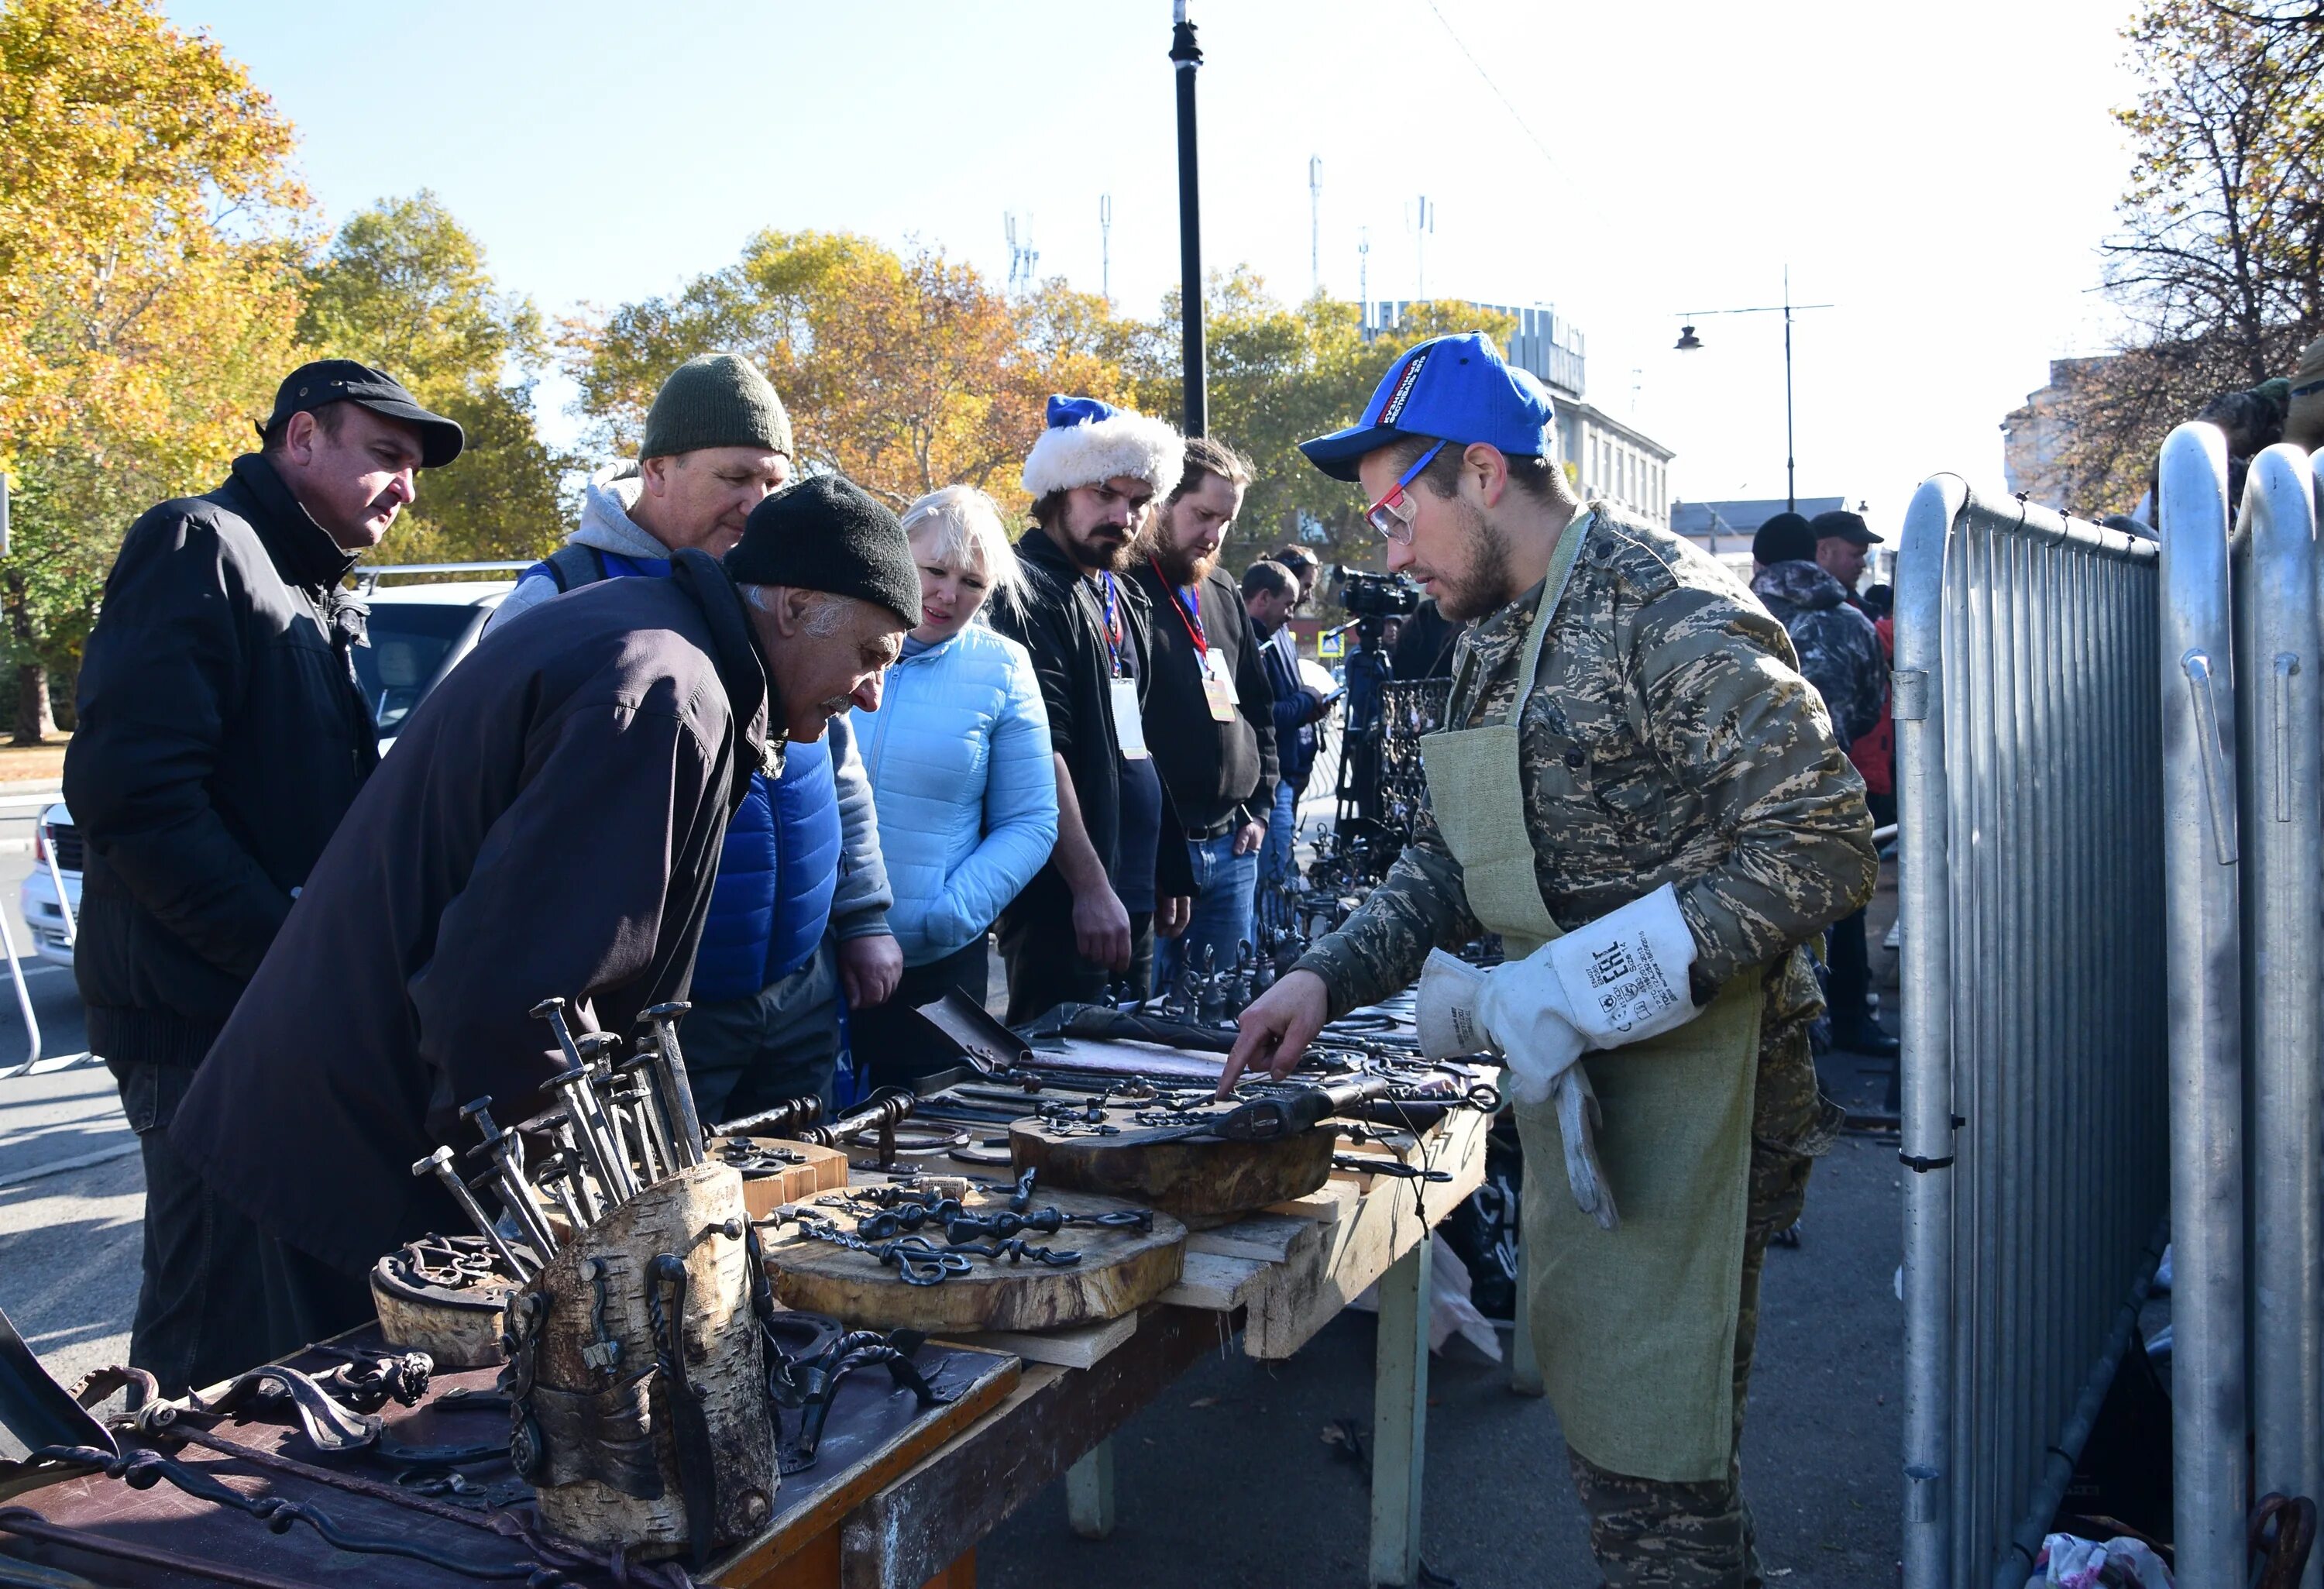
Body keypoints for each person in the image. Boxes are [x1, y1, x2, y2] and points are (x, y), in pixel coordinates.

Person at [1223, 332, 1874, 1589]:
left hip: (1706, 1097)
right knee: (1612, 1446)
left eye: (1398, 515)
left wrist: (1582, 985)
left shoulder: (1665, 604)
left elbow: (1823, 840)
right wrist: (1324, 975)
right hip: (1581, 1088)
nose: (1389, 552)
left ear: (1481, 471)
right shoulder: (1485, 635)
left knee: (1664, 1477)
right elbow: (1442, 854)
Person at [165, 476, 918, 1378]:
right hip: (335, 1169)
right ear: (795, 606)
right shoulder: (664, 690)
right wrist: (564, 1235)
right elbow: (519, 998)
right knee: (217, 1478)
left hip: (336, 1134)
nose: (873, 694)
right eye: (873, 652)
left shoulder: (655, 639)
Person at [64, 359, 462, 1396]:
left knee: (270, 1329)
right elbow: (132, 797)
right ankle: (137, 1545)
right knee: (208, 1331)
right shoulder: (201, 542)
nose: (406, 487)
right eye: (385, 454)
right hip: (196, 1024)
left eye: (413, 468)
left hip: (263, 1014)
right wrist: (288, 951)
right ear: (300, 438)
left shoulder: (311, 580)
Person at [482, 354, 901, 1119]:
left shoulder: (781, 592)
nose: (756, 504)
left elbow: (839, 772)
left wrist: (865, 915)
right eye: (735, 478)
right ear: (658, 470)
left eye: (774, 483)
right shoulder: (561, 596)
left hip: (798, 989)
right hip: (663, 1010)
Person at [988, 396, 1194, 1023]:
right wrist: (1090, 887)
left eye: (1137, 502)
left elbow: (1135, 742)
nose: (1122, 516)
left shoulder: (1119, 592)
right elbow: (1038, 754)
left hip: (1127, 890)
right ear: (1058, 488)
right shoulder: (1024, 588)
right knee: (1057, 1086)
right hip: (1067, 900)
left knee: (1129, 1071)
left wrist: (1162, 863)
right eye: (1104, 493)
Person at [849, 487, 1058, 1082]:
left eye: (972, 582)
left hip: (936, 968)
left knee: (929, 1148)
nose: (947, 594)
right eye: (934, 570)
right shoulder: (832, 637)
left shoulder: (1004, 666)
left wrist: (949, 914)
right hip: (818, 959)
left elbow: (1032, 820)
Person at [1131, 439, 1278, 996]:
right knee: (1151, 1026)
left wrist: (1260, 807)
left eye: (1226, 520)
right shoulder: (1124, 587)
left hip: (1233, 847)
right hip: (1159, 861)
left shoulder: (1220, 588)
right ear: (1164, 503)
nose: (1214, 533)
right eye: (1203, 514)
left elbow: (1256, 707)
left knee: (1223, 1012)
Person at [1757, 512, 1893, 1060]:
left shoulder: (1727, 611)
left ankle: (1777, 1038)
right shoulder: (1853, 622)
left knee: (1760, 909)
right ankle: (1849, 1019)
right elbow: (1867, 707)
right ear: (1818, 552)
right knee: (1845, 904)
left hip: (1746, 797)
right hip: (1830, 787)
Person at [1245, 559, 1328, 925]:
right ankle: (1279, 951)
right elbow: (1261, 715)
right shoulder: (1248, 642)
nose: (1292, 615)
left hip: (1283, 776)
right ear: (1264, 598)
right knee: (1277, 877)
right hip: (1267, 782)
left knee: (1278, 875)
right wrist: (1306, 702)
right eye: (1288, 605)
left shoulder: (1273, 636)